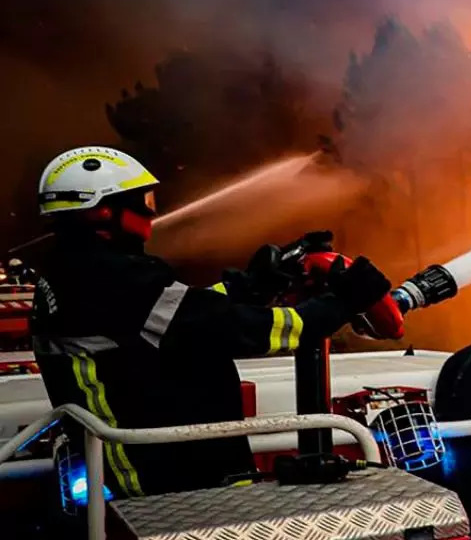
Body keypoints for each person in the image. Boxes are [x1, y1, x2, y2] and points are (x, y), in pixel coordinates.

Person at [29, 146, 391, 497]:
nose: (150, 212)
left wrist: (252, 284)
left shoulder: (78, 269)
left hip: (177, 455)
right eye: (141, 199)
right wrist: (343, 302)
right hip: (164, 473)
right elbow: (244, 331)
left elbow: (185, 314)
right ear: (102, 212)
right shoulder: (111, 277)